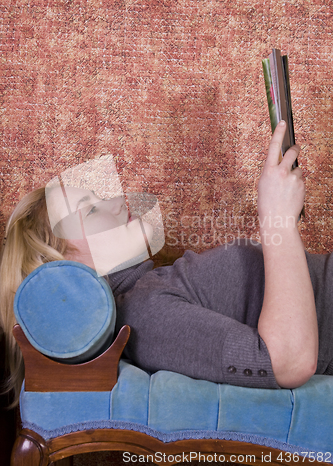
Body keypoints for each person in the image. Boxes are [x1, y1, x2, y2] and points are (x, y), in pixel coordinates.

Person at [1, 121, 332, 409]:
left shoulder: (154, 287)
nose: (119, 202)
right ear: (62, 266)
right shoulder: (145, 313)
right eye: (90, 210)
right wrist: (277, 221)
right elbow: (287, 361)